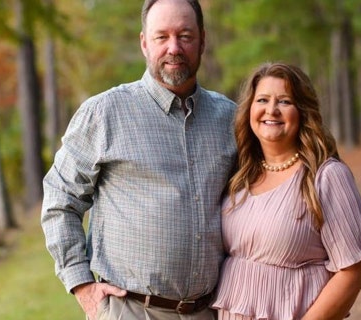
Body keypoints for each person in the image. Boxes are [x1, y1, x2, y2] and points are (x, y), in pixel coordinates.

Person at [40, 0, 237, 319]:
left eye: (185, 36)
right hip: (131, 310)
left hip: (210, 311)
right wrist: (81, 285)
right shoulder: (104, 113)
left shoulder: (229, 119)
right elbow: (60, 200)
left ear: (203, 40)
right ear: (145, 43)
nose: (174, 48)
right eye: (162, 37)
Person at [210, 62, 361, 320]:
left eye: (285, 101)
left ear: (302, 111)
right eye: (263, 100)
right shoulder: (240, 175)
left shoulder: (326, 176)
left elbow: (353, 273)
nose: (271, 110)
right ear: (249, 110)